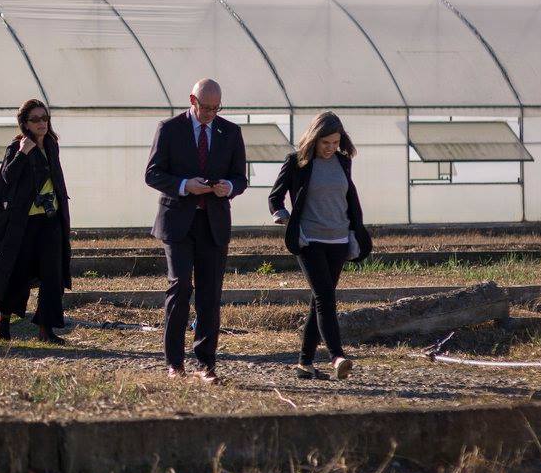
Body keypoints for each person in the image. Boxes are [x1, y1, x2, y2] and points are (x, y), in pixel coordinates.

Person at [145, 79, 249, 383]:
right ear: (192, 100)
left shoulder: (230, 132)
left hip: (213, 222)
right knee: (180, 287)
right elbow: (152, 173)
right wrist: (184, 185)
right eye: (205, 107)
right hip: (178, 221)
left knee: (210, 293)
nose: (210, 113)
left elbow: (240, 178)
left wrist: (227, 187)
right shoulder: (169, 129)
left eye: (216, 108)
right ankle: (174, 362)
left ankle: (206, 363)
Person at [268, 112, 373, 380]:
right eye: (325, 143)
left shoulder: (343, 162)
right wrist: (285, 218)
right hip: (309, 241)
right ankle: (337, 356)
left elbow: (348, 198)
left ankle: (305, 363)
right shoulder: (297, 162)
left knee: (319, 301)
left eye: (335, 142)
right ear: (314, 138)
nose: (330, 148)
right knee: (325, 298)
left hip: (338, 240)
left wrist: (355, 230)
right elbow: (275, 198)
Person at [0, 99, 72, 343]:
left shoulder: (51, 145)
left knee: (53, 274)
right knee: (18, 272)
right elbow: (6, 179)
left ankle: (46, 329)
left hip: (50, 220)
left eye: (44, 118)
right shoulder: (17, 146)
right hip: (24, 223)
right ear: (25, 124)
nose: (41, 123)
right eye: (35, 119)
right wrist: (22, 153)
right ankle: (3, 318)